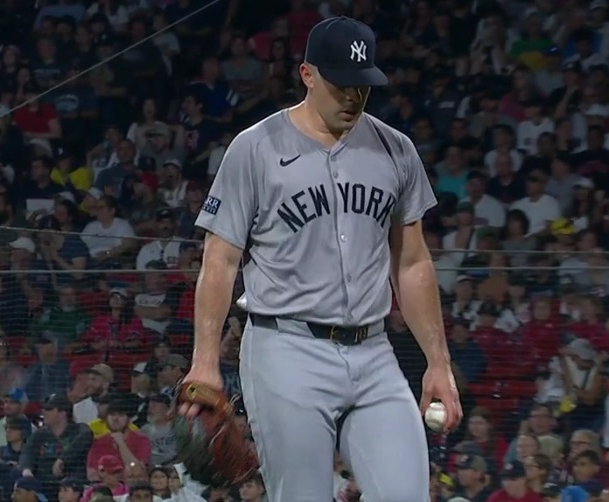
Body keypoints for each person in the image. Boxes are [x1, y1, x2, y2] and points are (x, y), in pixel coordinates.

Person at [186, 15, 461, 501]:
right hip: (285, 349)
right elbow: (220, 260)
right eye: (341, 85)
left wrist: (438, 363)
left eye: (363, 85)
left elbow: (413, 263)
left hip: (374, 353)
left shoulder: (396, 150)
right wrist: (205, 362)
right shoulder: (255, 149)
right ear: (308, 75)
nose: (353, 97)